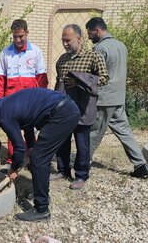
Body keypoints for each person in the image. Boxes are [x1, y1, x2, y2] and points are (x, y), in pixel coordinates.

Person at [0, 88, 80, 221]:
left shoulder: (5, 116)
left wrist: (13, 169)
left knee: (38, 159)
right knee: (36, 156)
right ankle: (42, 194)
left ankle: (42, 210)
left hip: (61, 114)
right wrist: (30, 147)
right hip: (65, 109)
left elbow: (18, 147)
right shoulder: (6, 105)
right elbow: (28, 123)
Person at [86, 17, 148, 178]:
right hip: (118, 98)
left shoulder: (100, 49)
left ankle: (82, 164)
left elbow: (96, 75)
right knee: (125, 132)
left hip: (104, 98)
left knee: (94, 133)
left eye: (90, 33)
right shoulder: (121, 46)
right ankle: (141, 165)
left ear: (98, 30)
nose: (89, 36)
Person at [51, 24, 109, 190]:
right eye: (63, 40)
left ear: (79, 38)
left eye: (68, 40)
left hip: (83, 108)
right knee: (62, 140)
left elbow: (104, 78)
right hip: (64, 108)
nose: (65, 44)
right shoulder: (62, 59)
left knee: (82, 143)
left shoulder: (93, 57)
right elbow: (58, 82)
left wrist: (80, 81)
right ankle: (63, 171)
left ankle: (82, 174)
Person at [0, 19, 49, 168]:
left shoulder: (35, 52)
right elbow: (0, 79)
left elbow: (42, 79)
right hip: (10, 100)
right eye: (15, 37)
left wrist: (42, 101)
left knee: (29, 131)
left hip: (30, 101)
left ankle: (32, 160)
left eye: (21, 36)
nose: (18, 40)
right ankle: (12, 160)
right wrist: (0, 101)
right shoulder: (5, 53)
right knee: (12, 131)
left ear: (27, 33)